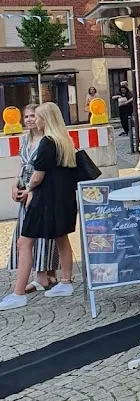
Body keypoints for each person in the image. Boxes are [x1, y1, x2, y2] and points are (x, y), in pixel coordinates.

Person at [0, 102, 78, 310]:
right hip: (62, 198)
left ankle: (18, 293)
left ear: (47, 119)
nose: (35, 120)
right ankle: (65, 281)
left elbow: (37, 176)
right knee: (61, 238)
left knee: (24, 243)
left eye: (38, 116)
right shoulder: (64, 141)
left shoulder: (47, 142)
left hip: (43, 199)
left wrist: (28, 189)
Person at [6, 104, 58, 293]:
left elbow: (44, 171)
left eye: (32, 116)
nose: (28, 120)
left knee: (43, 233)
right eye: (26, 116)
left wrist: (30, 189)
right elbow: (21, 167)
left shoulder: (47, 140)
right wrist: (15, 185)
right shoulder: (25, 140)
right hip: (26, 186)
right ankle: (44, 275)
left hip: (40, 189)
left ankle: (43, 275)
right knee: (25, 231)